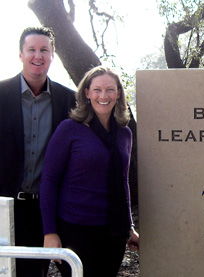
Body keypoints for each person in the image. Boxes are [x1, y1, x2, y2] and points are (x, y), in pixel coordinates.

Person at [40, 66, 139, 276]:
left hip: (114, 232)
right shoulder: (69, 129)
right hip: (75, 229)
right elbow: (49, 180)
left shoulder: (125, 134)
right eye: (97, 90)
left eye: (110, 89)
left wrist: (129, 226)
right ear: (87, 93)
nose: (104, 96)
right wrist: (50, 232)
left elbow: (123, 182)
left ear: (119, 93)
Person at [0, 26, 76, 276]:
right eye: (31, 49)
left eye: (44, 50)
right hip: (3, 206)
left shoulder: (70, 101)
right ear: (20, 54)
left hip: (45, 211)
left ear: (53, 55)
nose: (38, 55)